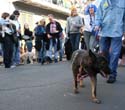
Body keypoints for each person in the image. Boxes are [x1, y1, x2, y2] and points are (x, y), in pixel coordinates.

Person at [95, 0, 125, 83]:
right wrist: (97, 24)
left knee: (115, 54)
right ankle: (107, 69)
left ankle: (112, 74)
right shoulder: (103, 2)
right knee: (104, 52)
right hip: (104, 31)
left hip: (117, 31)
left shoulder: (123, 2)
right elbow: (98, 15)